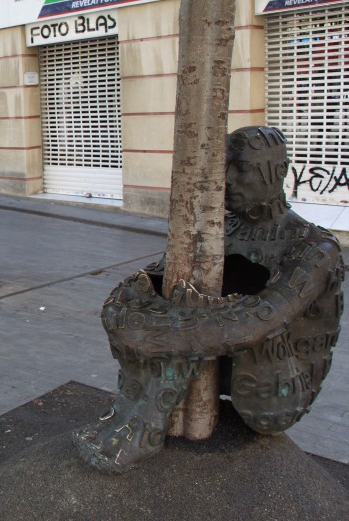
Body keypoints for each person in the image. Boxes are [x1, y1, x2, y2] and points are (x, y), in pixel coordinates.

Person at [73, 126, 344, 473]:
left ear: (278, 171)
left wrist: (152, 329)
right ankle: (131, 420)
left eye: (242, 168)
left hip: (276, 390)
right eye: (225, 166)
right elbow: (146, 280)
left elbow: (259, 321)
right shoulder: (221, 230)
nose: (227, 179)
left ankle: (141, 427)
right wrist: (131, 306)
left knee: (202, 316)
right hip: (224, 354)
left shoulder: (314, 248)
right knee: (184, 303)